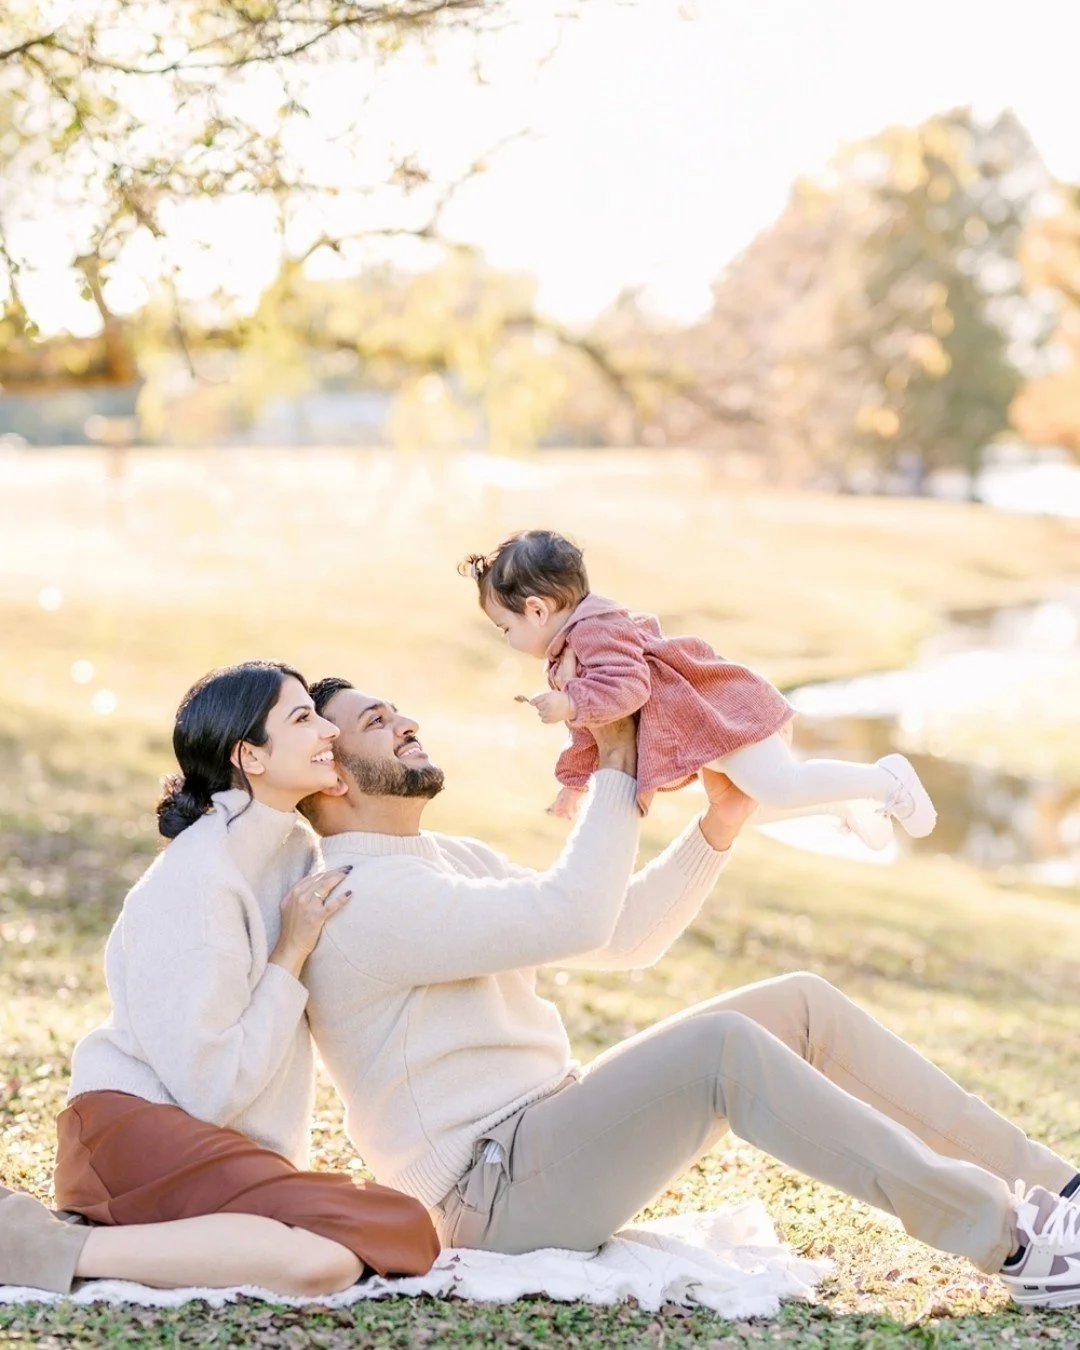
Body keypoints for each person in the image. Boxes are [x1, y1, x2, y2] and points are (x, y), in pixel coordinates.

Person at [297, 676, 1080, 1310]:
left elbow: (620, 933)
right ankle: (1010, 1239)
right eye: (375, 721)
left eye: (397, 707)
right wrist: (614, 762)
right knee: (722, 1052)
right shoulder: (364, 896)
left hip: (545, 1136)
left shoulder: (444, 856)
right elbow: (571, 913)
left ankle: (1056, 1186)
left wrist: (718, 825)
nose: (404, 720)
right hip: (488, 1195)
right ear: (331, 773)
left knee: (796, 1005)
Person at [5, 661, 438, 1298]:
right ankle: (45, 1245)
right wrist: (289, 952)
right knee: (371, 1237)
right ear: (250, 757)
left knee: (361, 1244)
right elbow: (207, 1088)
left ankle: (68, 1245)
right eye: (302, 718)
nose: (327, 731)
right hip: (132, 1134)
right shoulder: (200, 876)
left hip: (203, 1143)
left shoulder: (290, 848)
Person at [459, 529, 935, 849]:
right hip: (711, 734)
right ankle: (847, 804)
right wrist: (573, 784)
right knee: (756, 807)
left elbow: (627, 689)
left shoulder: (595, 630)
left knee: (779, 787)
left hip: (727, 717)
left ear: (538, 611)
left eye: (505, 627)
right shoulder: (568, 653)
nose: (507, 640)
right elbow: (595, 727)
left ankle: (885, 779)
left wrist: (569, 703)